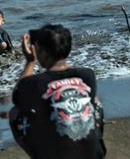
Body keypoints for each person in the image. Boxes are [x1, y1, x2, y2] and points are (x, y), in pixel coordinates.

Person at [9, 24, 106, 158]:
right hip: (93, 155)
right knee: (93, 100)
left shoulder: (36, 83)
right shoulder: (86, 75)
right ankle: (91, 144)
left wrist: (30, 62)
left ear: (42, 52)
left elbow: (17, 96)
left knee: (15, 113)